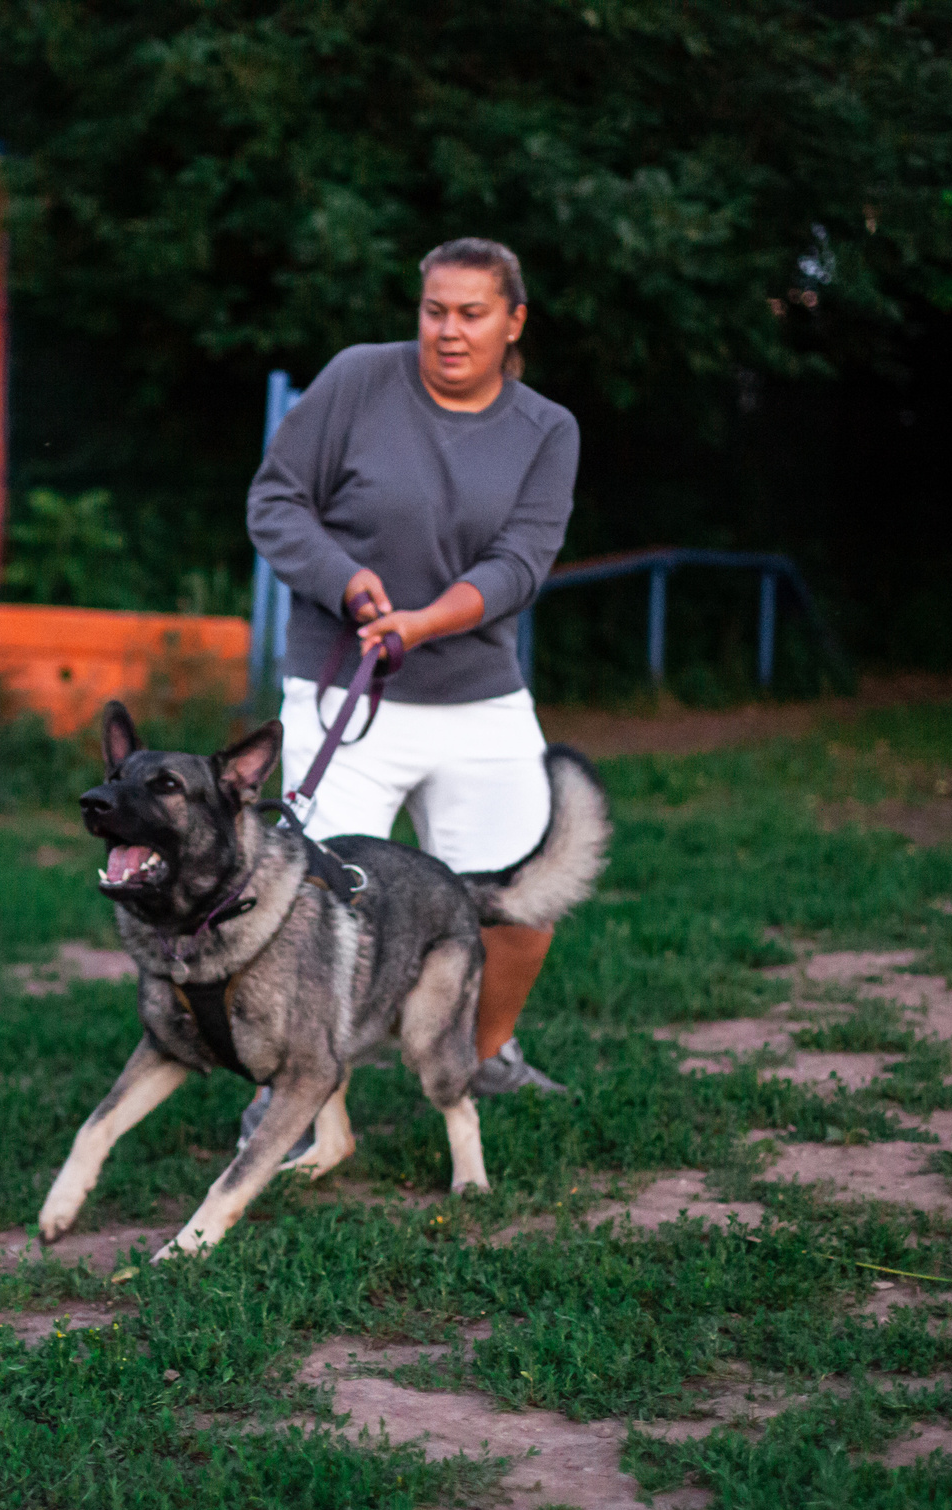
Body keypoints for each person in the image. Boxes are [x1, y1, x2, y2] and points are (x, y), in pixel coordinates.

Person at [247, 237, 580, 1098]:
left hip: (478, 693)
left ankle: (483, 1054)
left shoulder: (546, 429)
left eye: (473, 313)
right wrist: (344, 581)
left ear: (514, 321)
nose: (450, 330)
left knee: (525, 897)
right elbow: (275, 499)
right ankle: (293, 1101)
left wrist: (426, 620)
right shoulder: (358, 378)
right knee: (313, 909)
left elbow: (521, 562)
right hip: (342, 688)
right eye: (435, 310)